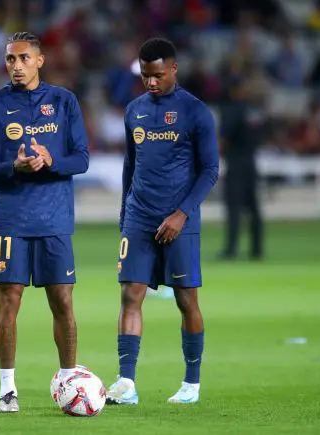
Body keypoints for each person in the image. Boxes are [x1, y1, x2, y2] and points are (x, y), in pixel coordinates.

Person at [0, 32, 89, 413]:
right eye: (10, 59)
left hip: (54, 218)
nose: (16, 66)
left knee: (63, 300)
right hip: (10, 219)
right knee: (9, 300)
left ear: (40, 60)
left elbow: (82, 159)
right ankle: (8, 389)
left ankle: (70, 379)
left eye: (23, 58)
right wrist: (14, 166)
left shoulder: (63, 101)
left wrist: (51, 160)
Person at [106, 38, 219, 405]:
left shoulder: (195, 112)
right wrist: (125, 215)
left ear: (173, 69)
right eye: (144, 75)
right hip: (139, 218)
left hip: (179, 220)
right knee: (130, 295)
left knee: (186, 301)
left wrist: (182, 213)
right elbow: (130, 167)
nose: (150, 82)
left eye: (157, 75)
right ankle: (126, 383)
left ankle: (191, 383)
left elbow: (210, 170)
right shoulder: (134, 110)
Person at [217, 77, 264, 260]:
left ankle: (231, 249)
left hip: (235, 163)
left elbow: (224, 137)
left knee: (234, 208)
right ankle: (257, 249)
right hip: (251, 162)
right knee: (253, 208)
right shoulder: (253, 111)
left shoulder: (231, 110)